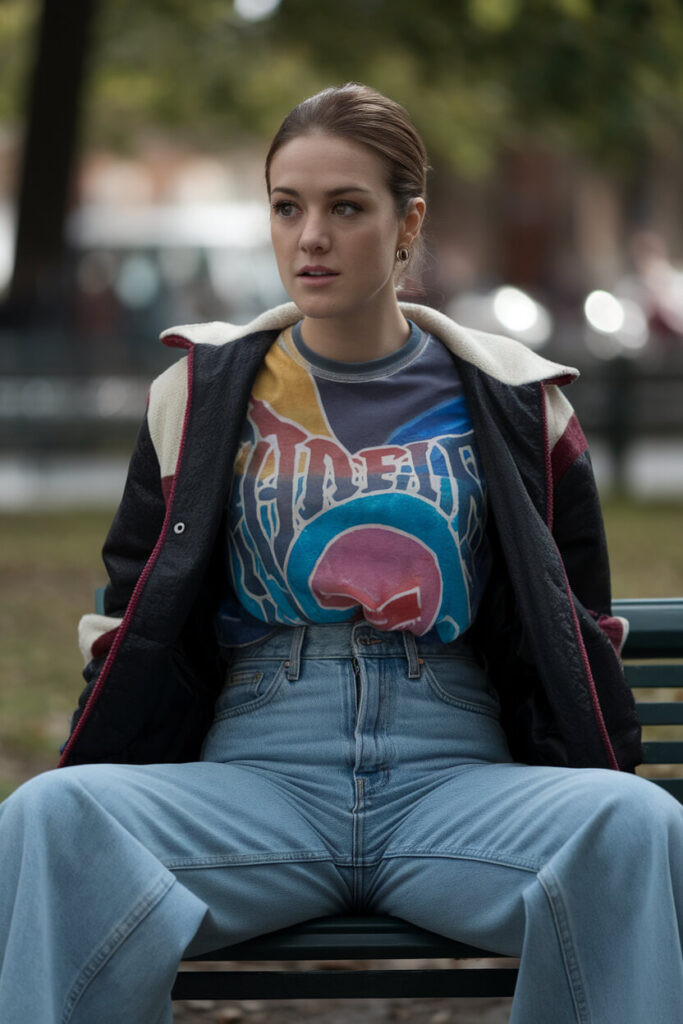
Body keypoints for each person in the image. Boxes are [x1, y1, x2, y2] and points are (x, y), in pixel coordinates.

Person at [1, 83, 682, 1024]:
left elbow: (577, 615)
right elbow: (133, 606)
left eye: (345, 207)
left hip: (453, 784)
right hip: (256, 781)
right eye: (288, 206)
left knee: (637, 826)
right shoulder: (196, 395)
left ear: (408, 224)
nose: (309, 235)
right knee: (49, 819)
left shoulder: (519, 400)